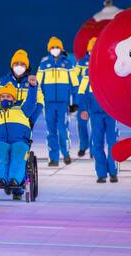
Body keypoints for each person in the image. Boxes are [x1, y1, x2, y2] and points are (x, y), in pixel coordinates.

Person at [0, 82, 37, 200]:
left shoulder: (22, 109)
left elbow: (32, 102)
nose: (5, 99)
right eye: (2, 97)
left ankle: (15, 180)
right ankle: (0, 179)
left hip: (20, 141)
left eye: (8, 96)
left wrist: (32, 87)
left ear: (14, 98)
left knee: (18, 155)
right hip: (0, 141)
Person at [78, 37, 118, 184]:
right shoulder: (88, 74)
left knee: (113, 143)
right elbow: (82, 94)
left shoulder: (111, 71)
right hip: (95, 114)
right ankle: (101, 173)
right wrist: (83, 109)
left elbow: (118, 92)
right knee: (97, 144)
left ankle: (113, 172)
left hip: (110, 113)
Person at [37, 37, 79, 167]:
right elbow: (38, 86)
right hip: (49, 104)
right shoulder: (44, 65)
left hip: (63, 104)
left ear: (61, 49)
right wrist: (39, 102)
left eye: (57, 47)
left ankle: (65, 154)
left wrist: (74, 103)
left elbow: (75, 84)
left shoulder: (67, 64)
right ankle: (53, 158)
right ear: (49, 49)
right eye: (52, 47)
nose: (55, 50)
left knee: (62, 129)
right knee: (51, 131)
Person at [0, 49, 44, 128]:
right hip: (5, 123)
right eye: (16, 64)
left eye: (22, 64)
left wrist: (31, 121)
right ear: (12, 65)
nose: (19, 66)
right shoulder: (3, 81)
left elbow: (39, 103)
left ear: (27, 67)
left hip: (25, 123)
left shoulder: (32, 82)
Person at [75, 42, 91, 157]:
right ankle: (83, 146)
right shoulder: (81, 63)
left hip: (96, 96)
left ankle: (94, 148)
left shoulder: (101, 61)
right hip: (83, 96)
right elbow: (75, 79)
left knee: (95, 124)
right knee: (82, 123)